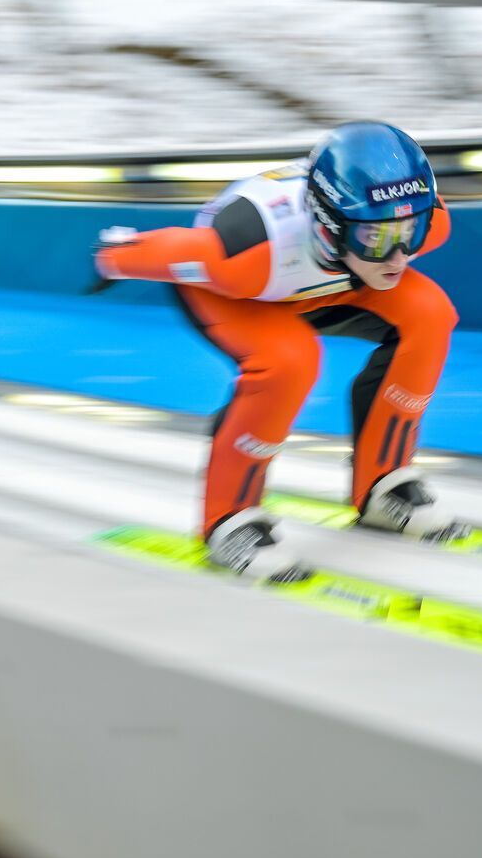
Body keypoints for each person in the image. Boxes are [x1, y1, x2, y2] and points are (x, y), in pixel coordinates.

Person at [93, 121, 461, 581]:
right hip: (244, 291)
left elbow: (394, 236)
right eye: (379, 238)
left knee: (430, 314)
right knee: (289, 360)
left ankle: (382, 483)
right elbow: (169, 249)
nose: (400, 255)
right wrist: (113, 254)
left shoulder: (406, 222)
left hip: (335, 276)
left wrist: (382, 238)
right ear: (329, 225)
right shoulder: (244, 254)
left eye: (413, 229)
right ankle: (230, 521)